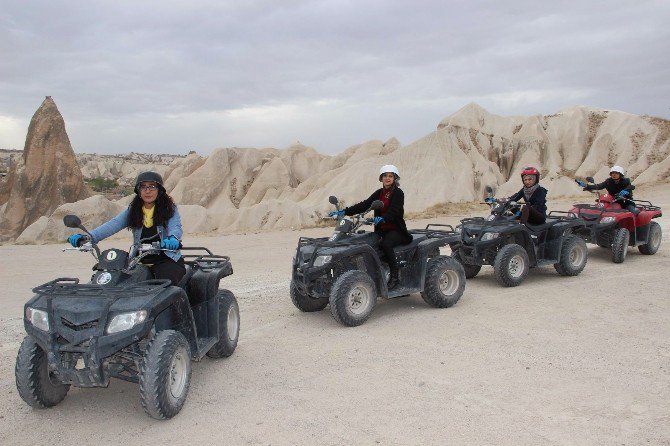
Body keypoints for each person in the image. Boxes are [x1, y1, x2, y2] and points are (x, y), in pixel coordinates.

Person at [68, 171, 186, 286]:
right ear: (138, 191)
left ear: (159, 190)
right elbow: (113, 224)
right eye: (143, 187)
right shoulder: (133, 210)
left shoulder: (169, 208)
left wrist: (173, 239)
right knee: (119, 283)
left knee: (166, 284)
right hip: (139, 260)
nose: (147, 191)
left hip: (166, 259)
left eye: (152, 186)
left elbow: (175, 226)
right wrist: (89, 236)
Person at [329, 165, 412, 290]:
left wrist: (383, 218)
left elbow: (394, 210)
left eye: (390, 176)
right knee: (364, 243)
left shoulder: (398, 193)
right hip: (381, 230)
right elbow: (364, 205)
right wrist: (344, 212)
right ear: (381, 178)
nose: (387, 178)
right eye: (385, 176)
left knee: (386, 244)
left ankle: (395, 277)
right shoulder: (379, 193)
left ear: (395, 178)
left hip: (396, 230)